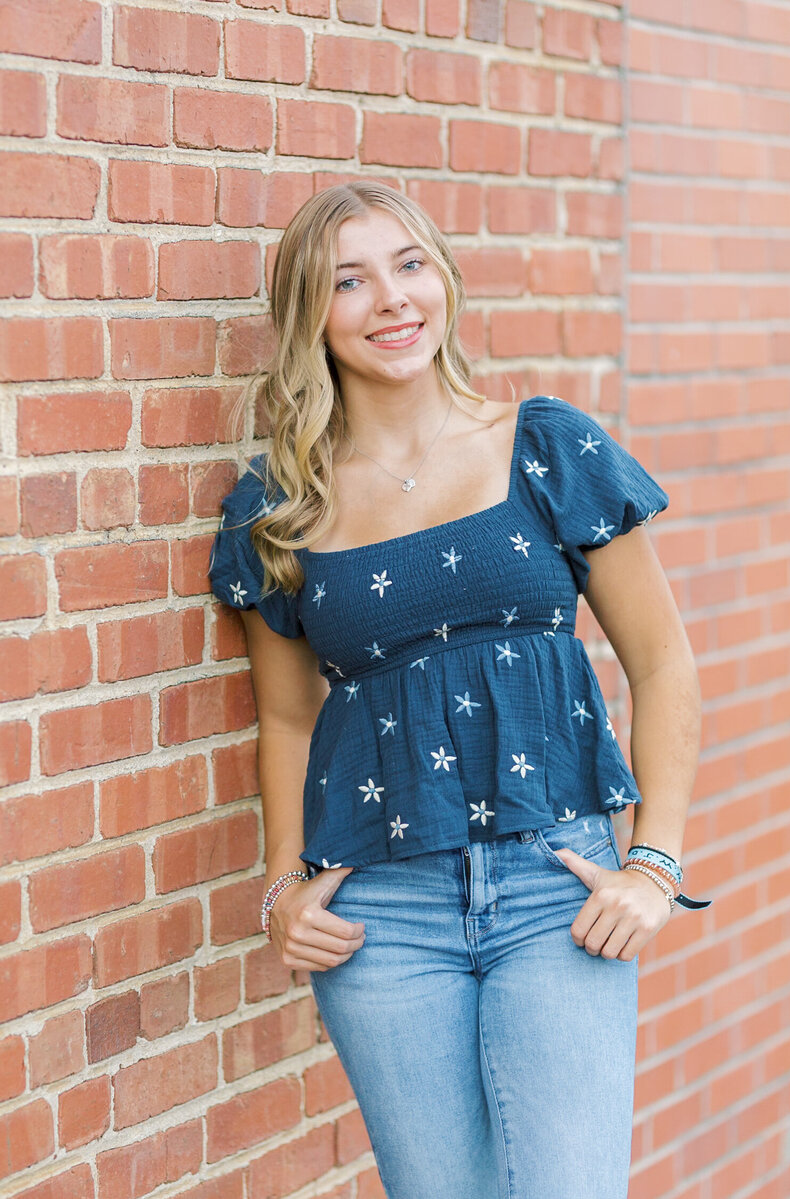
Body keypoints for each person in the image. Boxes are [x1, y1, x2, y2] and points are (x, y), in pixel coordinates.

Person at [207, 181, 711, 1199]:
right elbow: (288, 715)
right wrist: (276, 887)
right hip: (379, 913)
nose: (390, 299)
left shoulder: (543, 446)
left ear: (441, 279)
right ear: (310, 316)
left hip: (553, 888)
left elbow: (661, 663)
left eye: (407, 264)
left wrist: (652, 863)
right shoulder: (276, 507)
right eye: (347, 280)